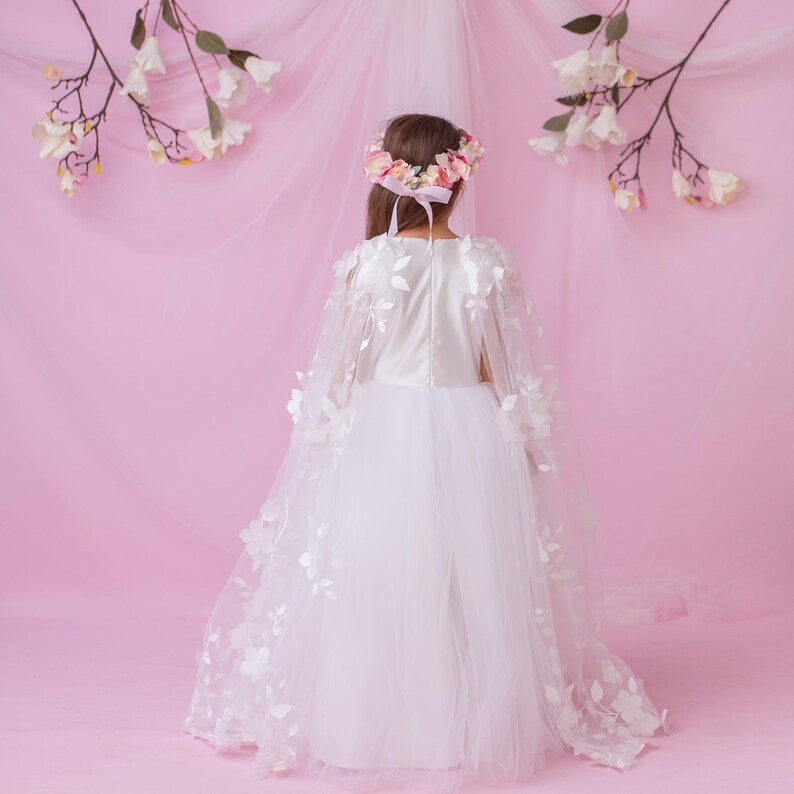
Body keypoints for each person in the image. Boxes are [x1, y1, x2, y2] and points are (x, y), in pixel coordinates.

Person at [183, 112, 666, 791]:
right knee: (467, 575)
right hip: (469, 426)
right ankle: (467, 722)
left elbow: (343, 372)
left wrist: (325, 446)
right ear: (459, 177)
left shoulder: (368, 265)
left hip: (384, 429)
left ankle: (369, 724)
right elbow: (500, 367)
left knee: (381, 574)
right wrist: (519, 441)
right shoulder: (484, 263)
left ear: (386, 179)